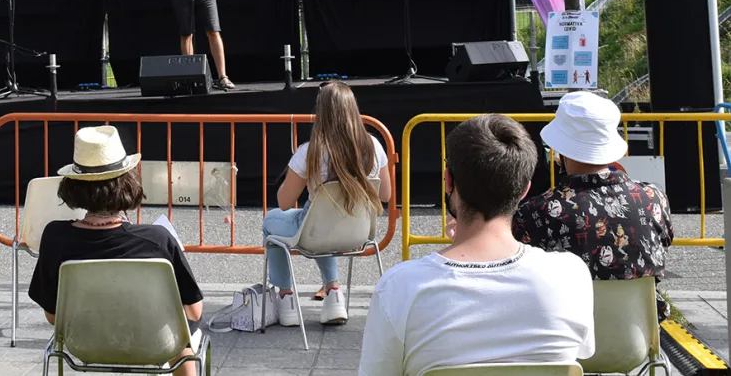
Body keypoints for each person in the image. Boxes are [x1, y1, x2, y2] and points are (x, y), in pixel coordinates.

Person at [358, 115, 595, 376]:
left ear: (448, 181)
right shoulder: (570, 274)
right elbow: (583, 353)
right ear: (525, 189)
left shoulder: (401, 287)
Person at [29, 126, 204, 376]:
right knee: (185, 333)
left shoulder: (55, 237)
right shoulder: (157, 239)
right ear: (128, 182)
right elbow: (194, 310)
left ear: (74, 184)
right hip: (155, 343)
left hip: (84, 343)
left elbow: (52, 316)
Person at [514, 91, 674, 318]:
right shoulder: (654, 198)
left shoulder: (534, 212)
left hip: (564, 341)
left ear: (560, 151)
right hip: (638, 341)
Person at [265, 81, 392, 326]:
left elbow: (283, 202)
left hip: (316, 234)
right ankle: (333, 294)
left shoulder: (310, 151)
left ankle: (286, 297)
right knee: (324, 221)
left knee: (271, 220)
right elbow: (385, 194)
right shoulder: (374, 146)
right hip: (360, 235)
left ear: (321, 112)